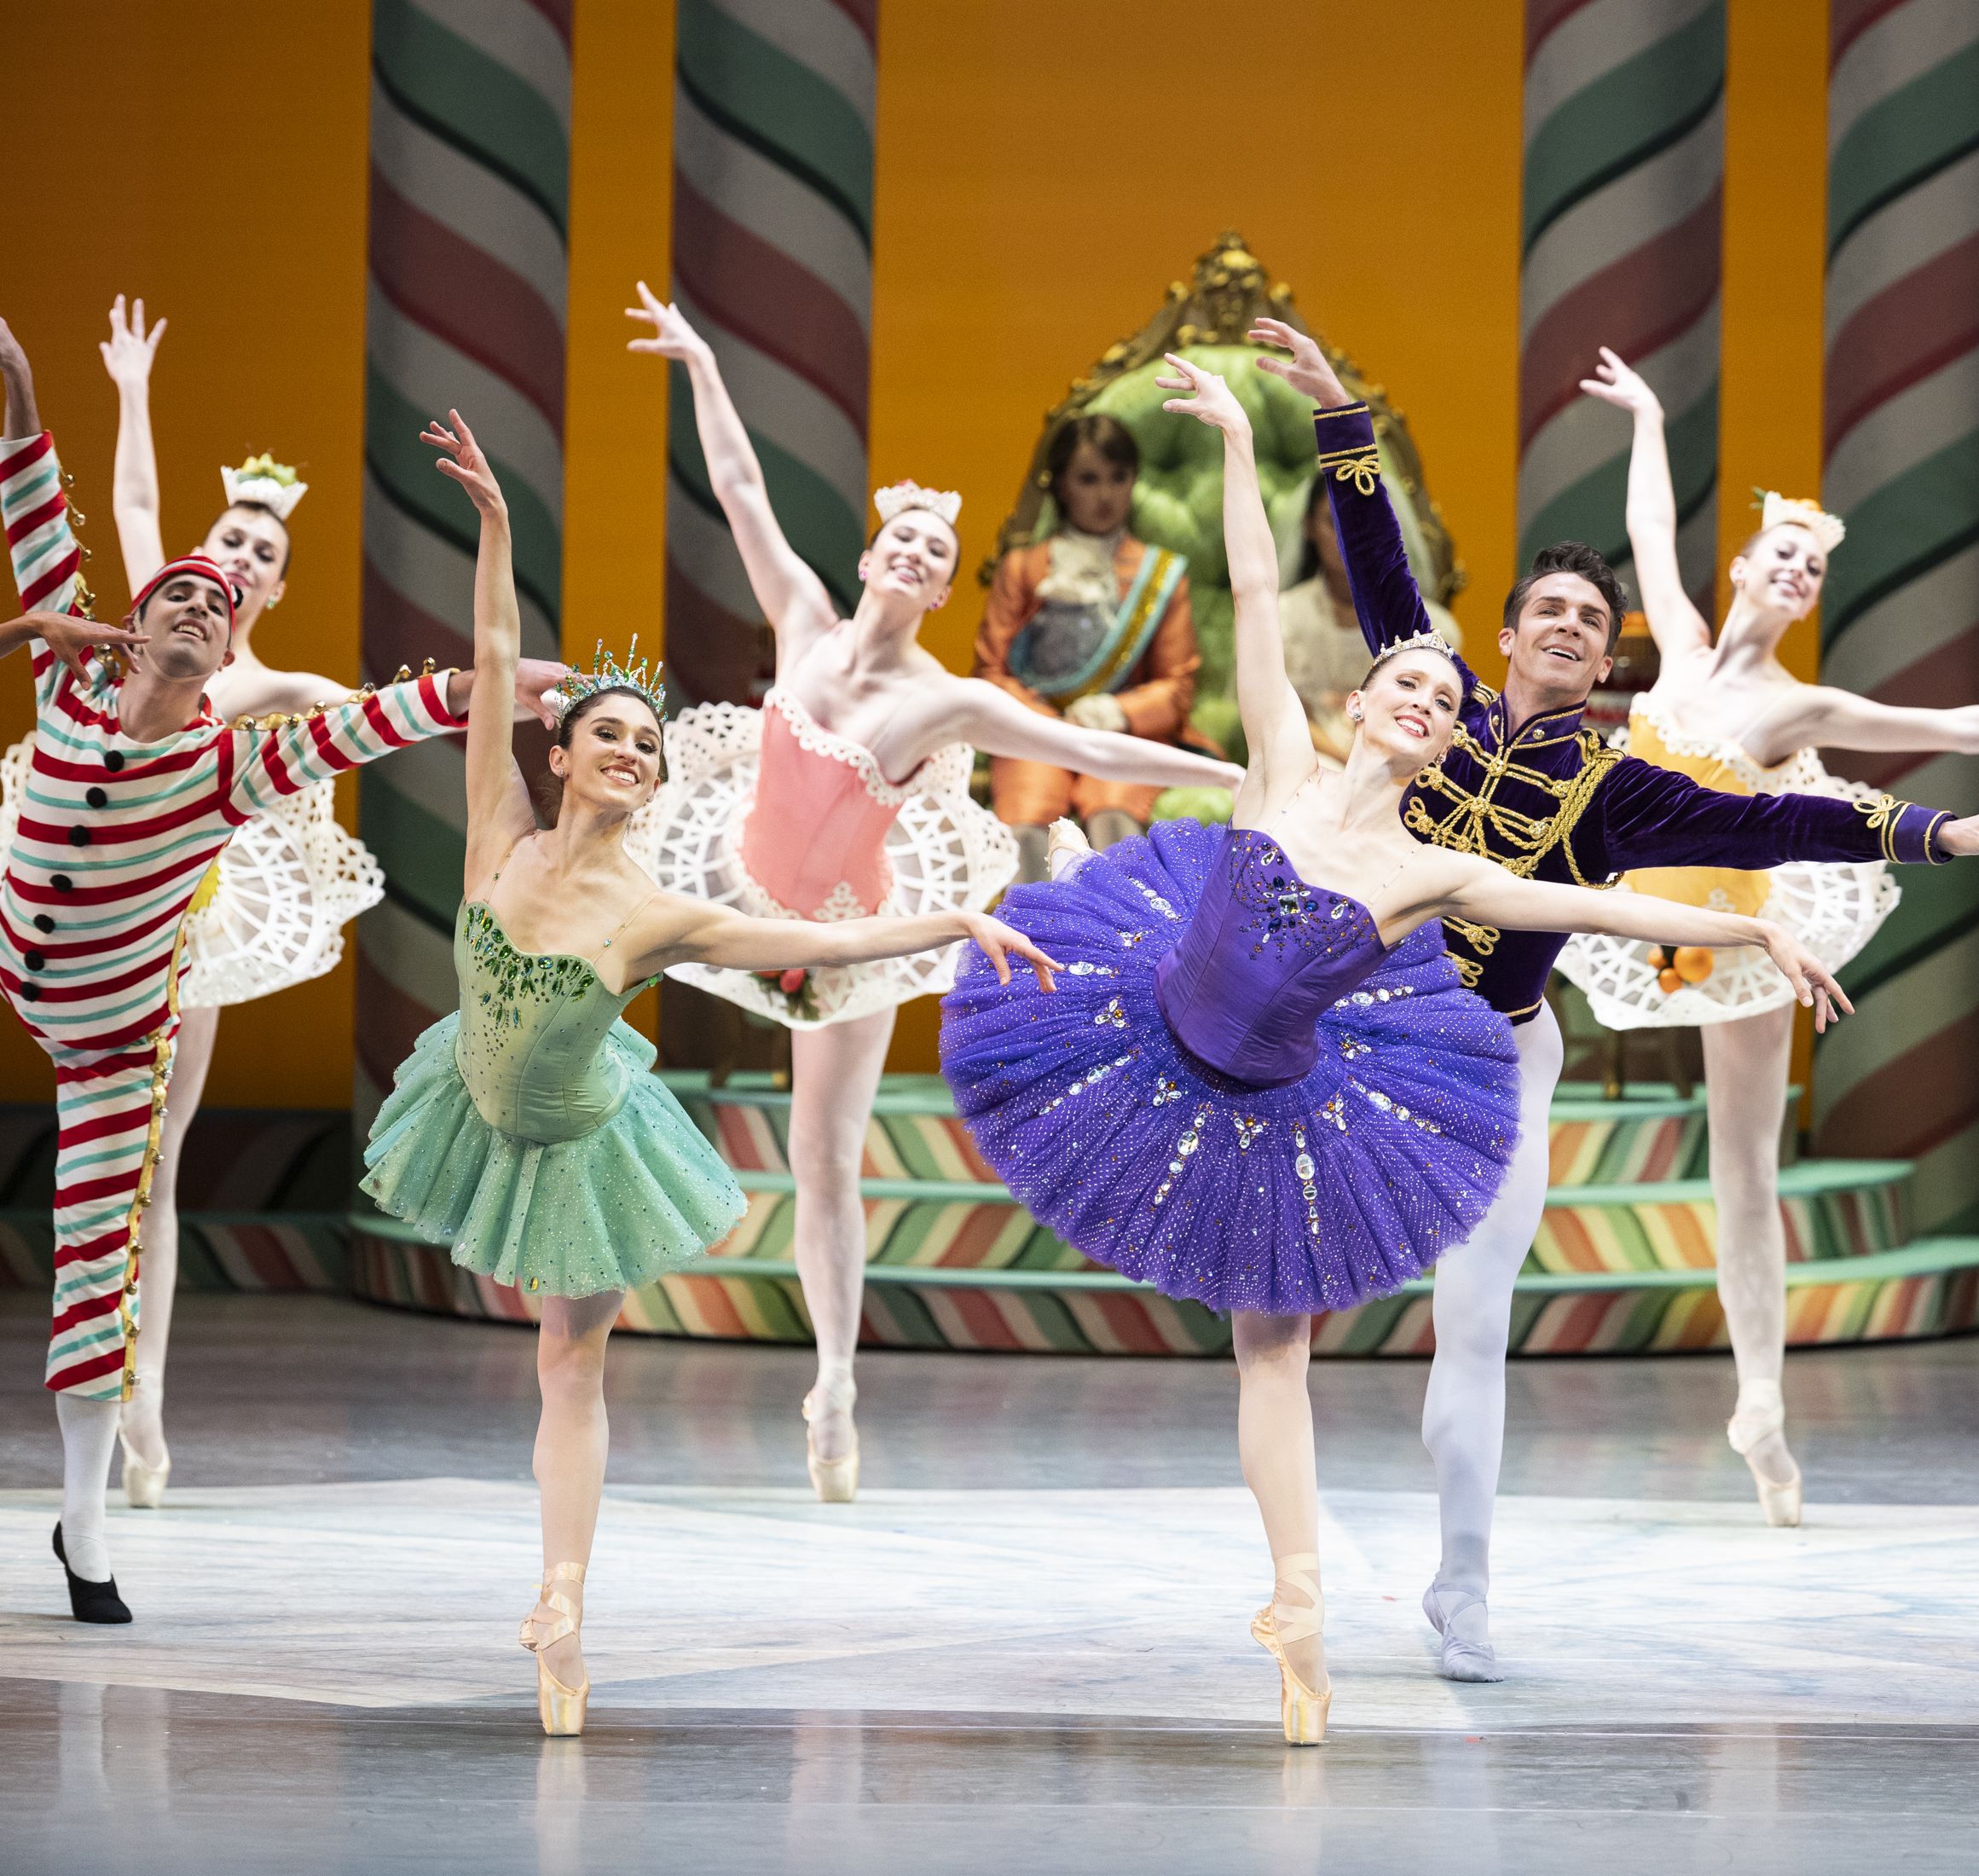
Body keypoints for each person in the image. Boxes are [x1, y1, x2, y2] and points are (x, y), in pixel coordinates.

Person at [945, 354, 1864, 1746]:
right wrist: (1258, 447)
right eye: (1412, 682)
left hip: (1396, 1059)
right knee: (1270, 1339)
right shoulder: (1277, 755)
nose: (1429, 704)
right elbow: (1258, 593)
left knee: (1382, 1336)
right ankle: (1312, 1591)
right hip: (1182, 1027)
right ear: (1371, 697)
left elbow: (1584, 900)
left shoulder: (1449, 859)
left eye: (1447, 699)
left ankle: (1384, 1599)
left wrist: (1761, 939)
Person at [1244, 316, 1979, 1682]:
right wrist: (1339, 412)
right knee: (1279, 1313)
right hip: (1356, 1043)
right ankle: (1292, 1571)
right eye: (1547, 612)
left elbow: (1774, 826)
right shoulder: (1428, 700)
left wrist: (1929, 835)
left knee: (1477, 1322)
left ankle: (1467, 1585)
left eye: (1590, 620)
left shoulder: (1616, 783)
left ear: (1607, 657)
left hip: (1496, 1060)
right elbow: (1380, 563)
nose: (1569, 628)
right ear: (1498, 637)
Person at [364, 412, 1056, 1735]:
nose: (630, 751)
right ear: (558, 756)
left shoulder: (655, 912)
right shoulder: (496, 832)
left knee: (573, 1370)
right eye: (608, 736)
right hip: (476, 1096)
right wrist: (500, 527)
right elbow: (501, 660)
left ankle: (562, 1607)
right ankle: (561, 1599)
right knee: (553, 1367)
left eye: (649, 745)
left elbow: (828, 938)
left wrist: (956, 921)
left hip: (582, 1145)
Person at [624, 287, 1238, 1501]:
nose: (913, 554)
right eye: (899, 538)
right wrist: (700, 359)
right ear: (868, 557)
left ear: (945, 587)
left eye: (935, 553)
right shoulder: (801, 621)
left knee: (824, 1152)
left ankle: (835, 1385)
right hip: (737, 881)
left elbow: (1099, 753)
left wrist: (1232, 765)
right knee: (603, 971)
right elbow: (742, 491)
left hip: (852, 928)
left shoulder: (943, 702)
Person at [0, 319, 557, 1625]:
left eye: (222, 600)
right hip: (12, 941)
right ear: (128, 634)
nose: (202, 602)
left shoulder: (224, 762)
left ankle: (85, 1533)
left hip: (108, 1031)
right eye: (176, 596)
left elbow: (376, 719)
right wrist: (24, 387)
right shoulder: (66, 693)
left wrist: (509, 683)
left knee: (102, 1256)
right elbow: (38, 505)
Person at [1562, 346, 1979, 1523]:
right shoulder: (1679, 648)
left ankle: (1761, 1409)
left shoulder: (1800, 706)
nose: (1794, 572)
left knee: (1743, 1170)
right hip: (1638, 901)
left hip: (1737, 928)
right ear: (1739, 569)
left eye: (1809, 568)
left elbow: (1955, 718)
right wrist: (1646, 413)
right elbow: (1647, 525)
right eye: (1779, 556)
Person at [30, 298, 391, 1510]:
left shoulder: (271, 675)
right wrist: (133, 390)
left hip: (195, 918)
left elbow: (360, 719)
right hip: (96, 882)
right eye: (229, 539)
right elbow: (133, 506)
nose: (237, 559)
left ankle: (147, 1403)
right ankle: (122, 1396)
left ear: (273, 593)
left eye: (261, 556)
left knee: (160, 1168)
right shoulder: (156, 624)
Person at [976, 409, 1206, 871]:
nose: (1105, 495)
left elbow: (1177, 687)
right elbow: (990, 673)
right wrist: (1048, 724)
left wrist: (1115, 713)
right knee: (1028, 810)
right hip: (1035, 734)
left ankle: (1121, 940)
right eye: (1088, 479)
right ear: (1061, 485)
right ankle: (1028, 939)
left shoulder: (1160, 575)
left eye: (1118, 478)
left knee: (1113, 810)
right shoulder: (1024, 569)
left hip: (1122, 735)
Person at [1278, 473, 1462, 760]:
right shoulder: (1284, 617)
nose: (1350, 539)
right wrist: (1348, 766)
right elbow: (1280, 717)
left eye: (1363, 524)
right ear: (1309, 526)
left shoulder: (1433, 628)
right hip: (1310, 760)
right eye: (1334, 523)